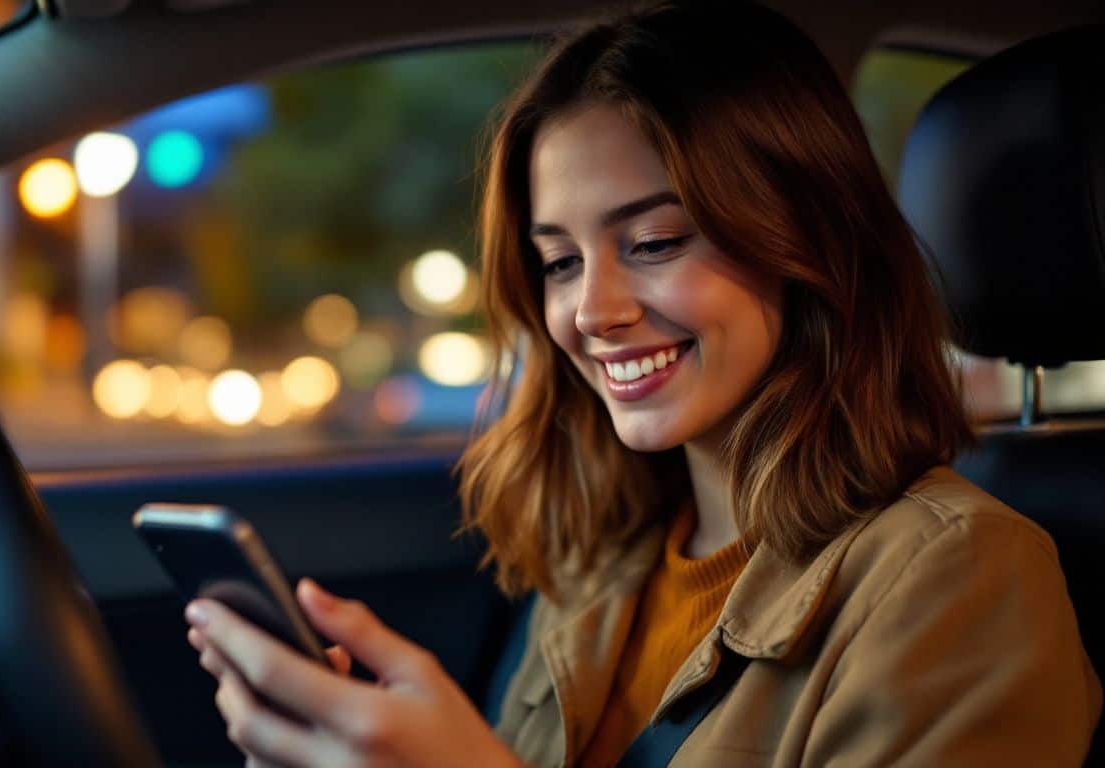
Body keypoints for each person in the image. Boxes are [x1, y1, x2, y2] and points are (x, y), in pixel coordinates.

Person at [184, 1, 1103, 765]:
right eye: (558, 263)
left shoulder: (961, 577)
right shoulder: (598, 559)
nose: (592, 310)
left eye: (655, 243)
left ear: (810, 244)